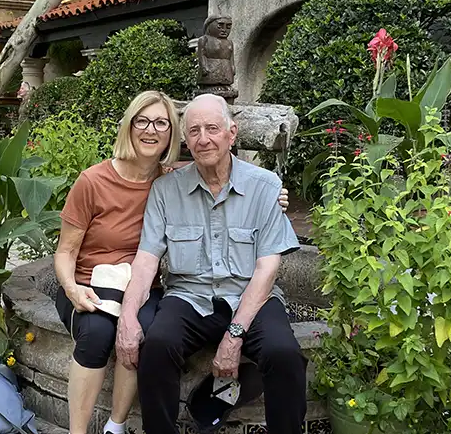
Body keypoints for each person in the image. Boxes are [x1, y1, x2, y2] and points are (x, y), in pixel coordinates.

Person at [53, 91, 289, 434]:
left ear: (171, 135)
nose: (151, 130)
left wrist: (272, 194)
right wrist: (76, 291)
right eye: (142, 121)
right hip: (95, 283)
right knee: (112, 335)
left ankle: (115, 425)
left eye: (161, 123)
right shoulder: (100, 181)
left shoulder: (173, 177)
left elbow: (220, 167)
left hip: (164, 287)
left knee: (280, 353)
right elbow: (71, 253)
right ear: (129, 127)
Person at [115, 94, 308, 434]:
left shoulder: (265, 187)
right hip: (189, 297)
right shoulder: (166, 190)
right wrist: (128, 317)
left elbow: (266, 269)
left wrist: (234, 336)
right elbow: (145, 262)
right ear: (185, 140)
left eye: (212, 129)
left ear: (231, 134)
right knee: (157, 347)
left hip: (251, 297)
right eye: (194, 131)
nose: (203, 138)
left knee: (284, 354)